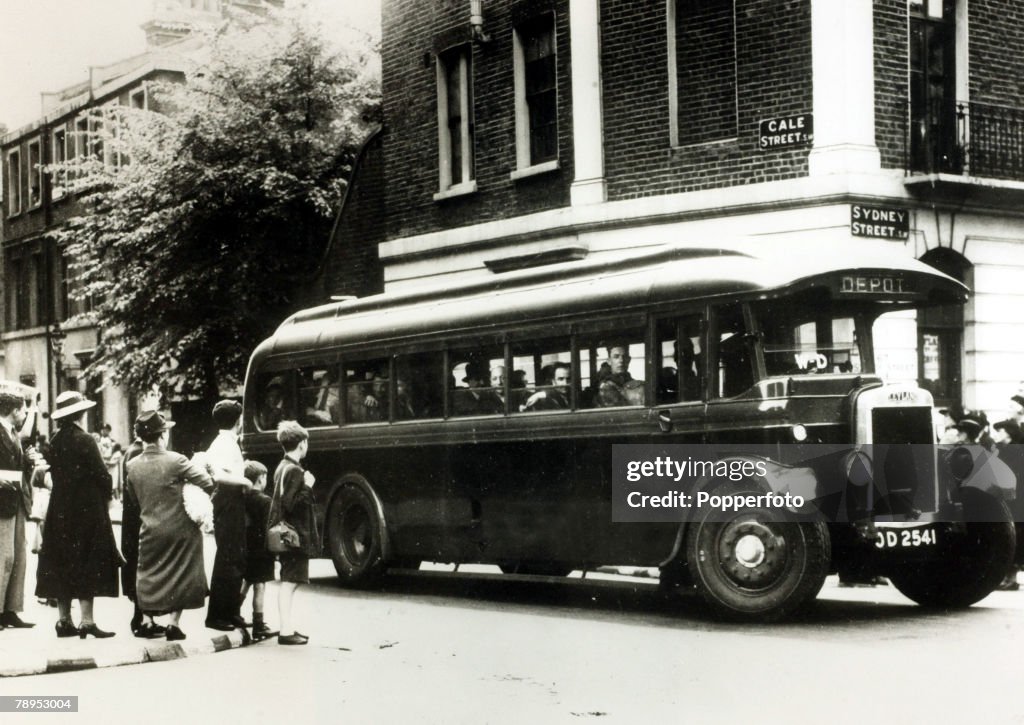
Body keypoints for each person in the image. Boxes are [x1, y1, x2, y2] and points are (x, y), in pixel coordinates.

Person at [35, 391, 120, 638]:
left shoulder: (54, 440)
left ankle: (63, 620)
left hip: (60, 509)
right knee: (87, 560)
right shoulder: (86, 440)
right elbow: (102, 474)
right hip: (87, 509)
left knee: (62, 561)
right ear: (80, 413)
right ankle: (87, 621)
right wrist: (107, 491)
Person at [126, 410, 215, 641]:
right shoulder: (177, 460)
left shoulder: (132, 465)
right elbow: (207, 482)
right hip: (180, 529)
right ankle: (173, 624)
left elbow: (133, 499)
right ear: (162, 435)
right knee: (183, 572)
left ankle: (146, 621)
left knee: (148, 573)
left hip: (150, 529)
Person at [204, 399, 254, 632]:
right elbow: (218, 475)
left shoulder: (227, 442)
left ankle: (231, 611)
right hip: (227, 499)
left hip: (233, 500)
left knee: (235, 558)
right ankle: (217, 615)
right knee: (228, 558)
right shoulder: (223, 443)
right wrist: (244, 480)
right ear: (238, 420)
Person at [269, 421, 320, 645]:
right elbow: (291, 504)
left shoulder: (282, 466)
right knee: (289, 582)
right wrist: (308, 485)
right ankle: (285, 630)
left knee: (290, 581)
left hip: (288, 535)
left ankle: (287, 628)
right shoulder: (295, 471)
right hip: (294, 536)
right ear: (301, 444)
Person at [0, 381, 35, 631]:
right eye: (23, 410)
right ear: (13, 410)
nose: (24, 415)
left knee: (18, 557)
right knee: (4, 557)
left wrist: (29, 462)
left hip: (16, 500)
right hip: (2, 501)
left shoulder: (13, 433)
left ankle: (10, 609)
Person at [119, 433, 155, 637]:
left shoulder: (132, 450)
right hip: (139, 517)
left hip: (133, 517)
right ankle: (140, 618)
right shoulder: (138, 453)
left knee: (137, 564)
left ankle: (142, 616)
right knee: (141, 565)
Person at [239, 460, 277, 641]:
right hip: (262, 550)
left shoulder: (241, 498)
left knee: (246, 581)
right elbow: (268, 526)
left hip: (246, 547)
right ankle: (259, 624)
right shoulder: (265, 500)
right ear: (261, 479)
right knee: (260, 586)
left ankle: (234, 612)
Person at [994, 419, 1024, 591]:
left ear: (1008, 433)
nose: (997, 434)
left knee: (1016, 537)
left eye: (1000, 431)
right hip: (1008, 497)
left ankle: (1011, 578)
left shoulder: (1016, 451)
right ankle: (1007, 577)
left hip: (1017, 498)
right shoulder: (1002, 450)